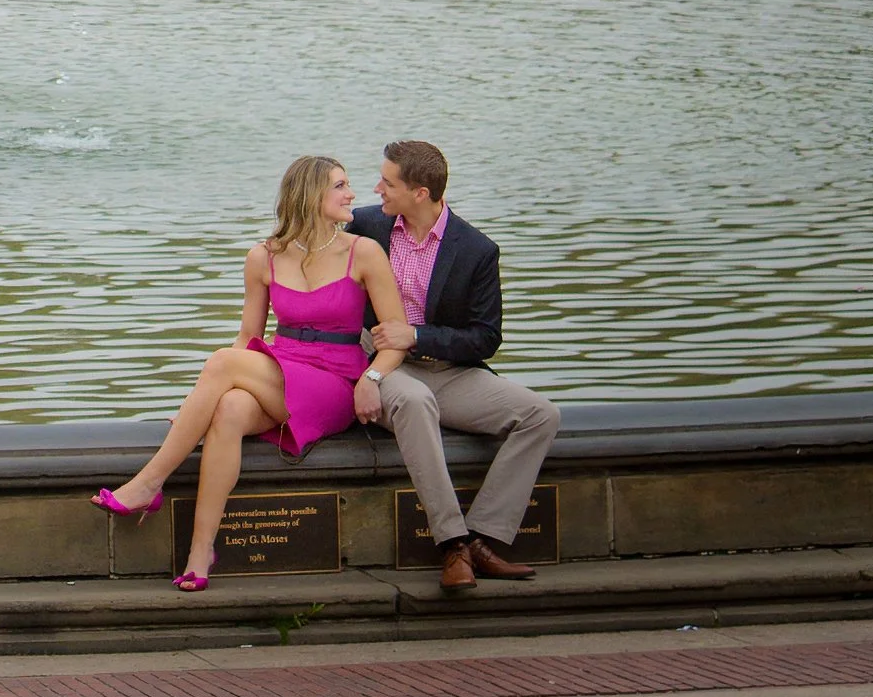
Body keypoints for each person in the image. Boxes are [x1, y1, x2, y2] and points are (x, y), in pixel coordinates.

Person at [93, 156, 412, 592]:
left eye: (348, 185)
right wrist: (196, 410)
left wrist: (373, 380)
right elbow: (248, 337)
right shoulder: (263, 256)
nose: (351, 193)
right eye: (340, 185)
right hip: (281, 371)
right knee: (227, 409)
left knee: (224, 363)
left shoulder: (364, 252)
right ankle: (200, 553)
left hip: (336, 382)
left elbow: (395, 339)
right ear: (310, 196)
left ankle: (149, 482)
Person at [348, 137, 561, 594]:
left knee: (541, 414)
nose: (377, 189)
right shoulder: (364, 226)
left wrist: (419, 335)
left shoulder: (476, 249)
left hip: (449, 371)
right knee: (417, 402)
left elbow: (486, 338)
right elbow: (302, 229)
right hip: (383, 369)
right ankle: (452, 544)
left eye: (387, 182)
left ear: (419, 192)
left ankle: (484, 539)